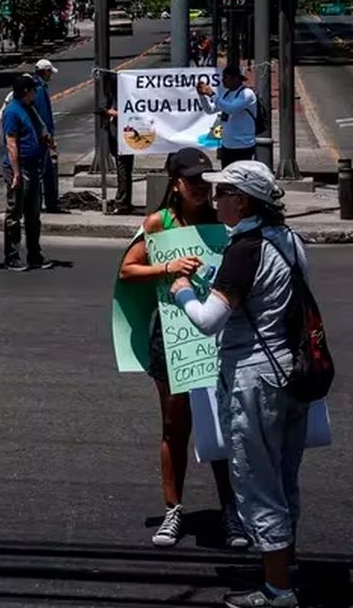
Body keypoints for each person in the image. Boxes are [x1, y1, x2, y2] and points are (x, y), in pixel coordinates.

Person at [167, 160, 314, 608]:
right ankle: (282, 570)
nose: (215, 201)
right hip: (293, 371)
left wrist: (182, 291)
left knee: (256, 481)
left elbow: (209, 321)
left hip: (255, 377)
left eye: (222, 194)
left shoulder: (244, 249)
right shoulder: (289, 240)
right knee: (285, 477)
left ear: (243, 201)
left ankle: (277, 589)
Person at [118, 148, 244, 551]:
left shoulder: (221, 222)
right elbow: (128, 268)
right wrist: (167, 268)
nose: (200, 189)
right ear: (174, 183)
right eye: (192, 182)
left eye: (205, 182)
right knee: (176, 426)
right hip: (172, 341)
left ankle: (231, 511)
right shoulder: (159, 223)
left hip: (216, 340)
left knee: (221, 427)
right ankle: (174, 509)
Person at [1, 75, 52, 272]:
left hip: (33, 166)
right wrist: (15, 173)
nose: (35, 93)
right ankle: (12, 255)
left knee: (33, 214)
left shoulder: (30, 108)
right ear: (25, 91)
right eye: (33, 90)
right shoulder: (13, 112)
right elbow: (11, 143)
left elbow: (39, 129)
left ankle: (34, 253)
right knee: (15, 213)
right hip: (19, 168)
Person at [211, 64, 260, 165]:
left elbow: (231, 109)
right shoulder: (226, 94)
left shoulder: (247, 94)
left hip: (242, 146)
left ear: (236, 78)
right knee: (227, 178)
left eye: (226, 77)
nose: (223, 80)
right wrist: (202, 96)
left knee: (241, 178)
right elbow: (210, 110)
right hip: (227, 146)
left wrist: (212, 94)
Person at [101, 70, 135, 215]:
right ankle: (123, 200)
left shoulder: (123, 98)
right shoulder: (115, 97)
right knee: (124, 171)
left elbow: (130, 114)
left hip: (124, 139)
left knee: (123, 171)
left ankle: (122, 201)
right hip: (119, 138)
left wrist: (115, 114)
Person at [33, 59, 62, 213]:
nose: (51, 76)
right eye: (50, 72)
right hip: (42, 139)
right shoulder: (40, 89)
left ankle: (50, 202)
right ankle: (46, 204)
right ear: (45, 71)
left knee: (47, 171)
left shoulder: (36, 86)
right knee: (44, 172)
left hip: (40, 137)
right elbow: (43, 116)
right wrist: (49, 138)